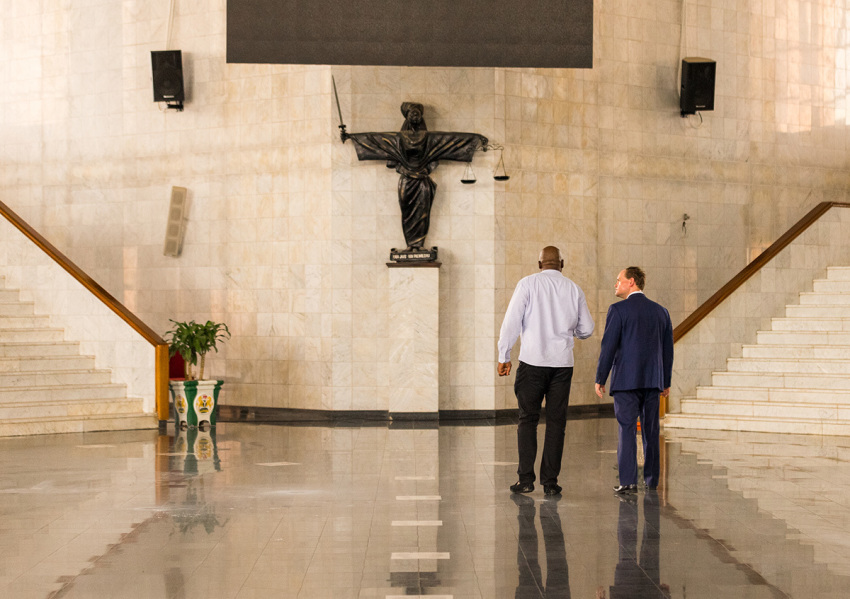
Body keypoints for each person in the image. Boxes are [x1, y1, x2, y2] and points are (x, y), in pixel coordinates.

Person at [498, 246, 594, 496]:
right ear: (562, 263)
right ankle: (550, 482)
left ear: (539, 263)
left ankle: (526, 480)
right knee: (556, 423)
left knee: (527, 419)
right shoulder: (574, 289)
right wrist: (570, 332)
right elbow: (588, 329)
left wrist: (503, 355)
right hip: (562, 365)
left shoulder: (527, 284)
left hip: (532, 362)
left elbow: (511, 322)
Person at [341, 102, 488, 250]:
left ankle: (419, 245)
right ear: (407, 116)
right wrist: (351, 137)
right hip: (406, 180)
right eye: (412, 113)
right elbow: (376, 140)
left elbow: (451, 140)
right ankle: (410, 246)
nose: (415, 115)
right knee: (407, 213)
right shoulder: (397, 139)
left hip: (423, 181)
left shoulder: (429, 139)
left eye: (417, 113)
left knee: (422, 214)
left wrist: (475, 139)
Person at [595, 267, 673, 494]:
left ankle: (628, 482)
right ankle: (651, 480)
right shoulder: (661, 312)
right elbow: (667, 351)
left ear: (631, 282)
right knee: (651, 431)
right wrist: (665, 381)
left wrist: (601, 377)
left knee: (626, 430)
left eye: (618, 280)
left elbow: (608, 347)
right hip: (652, 382)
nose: (615, 284)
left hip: (626, 383)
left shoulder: (618, 310)